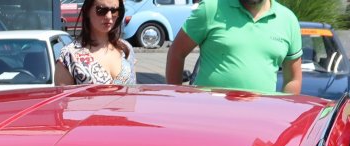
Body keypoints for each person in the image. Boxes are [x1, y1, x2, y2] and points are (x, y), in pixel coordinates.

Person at [165, 0, 302, 96]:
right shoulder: (210, 8)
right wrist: (176, 96)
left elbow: (293, 79)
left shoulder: (288, 20)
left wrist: (283, 116)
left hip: (260, 121)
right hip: (209, 116)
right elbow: (177, 53)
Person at [56, 0, 135, 85]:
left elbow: (134, 93)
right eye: (101, 10)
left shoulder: (125, 49)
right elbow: (63, 97)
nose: (109, 16)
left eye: (114, 11)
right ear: (87, 11)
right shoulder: (68, 55)